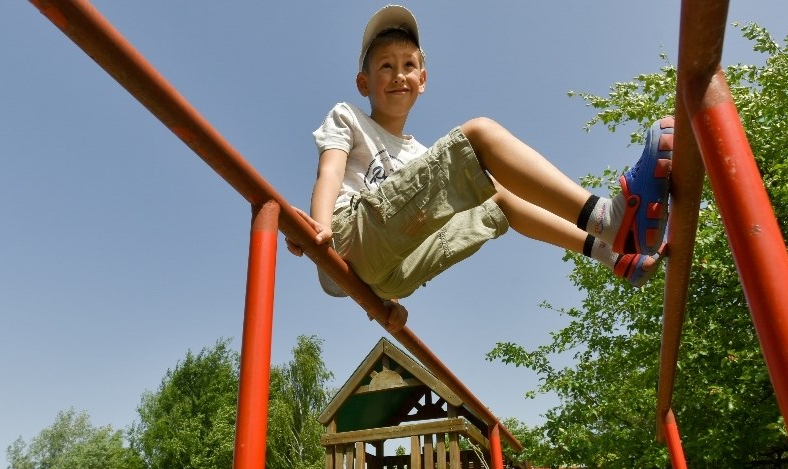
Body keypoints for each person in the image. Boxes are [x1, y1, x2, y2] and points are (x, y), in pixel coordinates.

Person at [286, 5, 673, 333]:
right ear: (363, 82)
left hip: (388, 271)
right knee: (480, 135)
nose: (399, 73)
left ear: (422, 81)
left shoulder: (422, 157)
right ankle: (605, 217)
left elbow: (406, 230)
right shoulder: (349, 117)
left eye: (408, 65)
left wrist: (383, 301)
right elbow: (331, 173)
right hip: (344, 235)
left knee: (495, 195)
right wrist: (319, 226)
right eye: (385, 66)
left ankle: (610, 253)